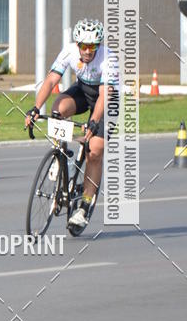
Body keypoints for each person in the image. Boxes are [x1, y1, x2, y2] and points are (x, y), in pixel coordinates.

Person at [24, 18, 118, 230]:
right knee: (59, 109)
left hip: (107, 100)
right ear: (77, 44)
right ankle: (61, 155)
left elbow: (104, 96)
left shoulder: (108, 58)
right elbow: (51, 80)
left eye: (92, 46)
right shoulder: (69, 51)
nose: (87, 51)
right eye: (83, 46)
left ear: (98, 45)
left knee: (95, 150)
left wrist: (93, 122)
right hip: (84, 91)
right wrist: (36, 108)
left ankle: (84, 207)